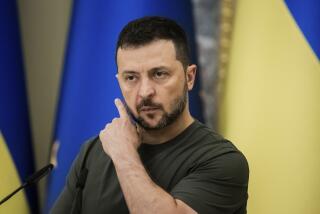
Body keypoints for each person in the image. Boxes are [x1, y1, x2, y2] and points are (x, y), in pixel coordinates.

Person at [51, 16, 249, 214]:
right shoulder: (93, 151)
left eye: (159, 74)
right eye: (131, 78)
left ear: (189, 77)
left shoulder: (222, 161)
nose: (145, 91)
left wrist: (123, 154)